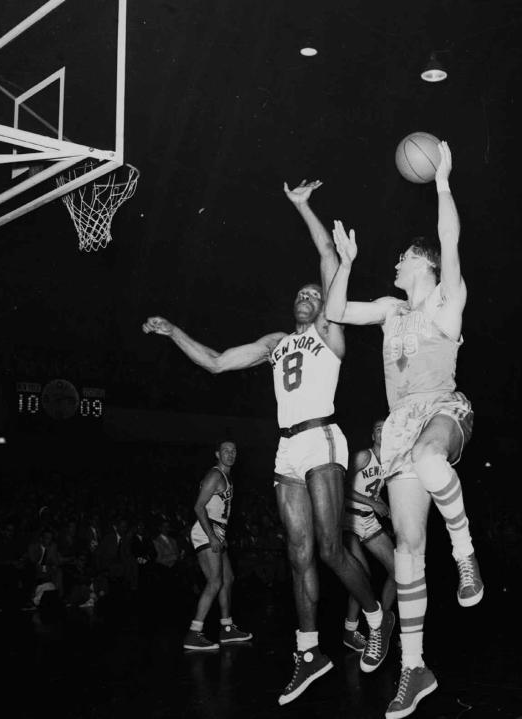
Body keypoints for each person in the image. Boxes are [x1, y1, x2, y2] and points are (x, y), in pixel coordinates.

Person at [143, 179, 393, 705]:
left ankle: (375, 616)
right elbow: (215, 361)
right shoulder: (275, 344)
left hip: (323, 438)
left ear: (324, 304)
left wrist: (303, 207)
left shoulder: (330, 329)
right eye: (300, 295)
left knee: (329, 547)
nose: (306, 298)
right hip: (287, 450)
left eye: (313, 295)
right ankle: (309, 654)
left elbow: (327, 253)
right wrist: (173, 333)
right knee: (298, 554)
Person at [326, 141, 482, 719]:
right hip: (398, 430)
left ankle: (466, 553)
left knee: (433, 460)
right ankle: (414, 668)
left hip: (442, 409)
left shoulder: (445, 301)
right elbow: (339, 312)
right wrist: (345, 262)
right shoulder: (392, 310)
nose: (394, 264)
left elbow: (451, 241)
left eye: (400, 258)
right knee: (410, 551)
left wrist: (441, 183)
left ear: (422, 263)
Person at [182, 440, 253, 650]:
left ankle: (227, 628)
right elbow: (198, 507)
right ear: (217, 454)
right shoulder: (215, 475)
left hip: (216, 532)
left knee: (227, 578)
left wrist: (220, 535)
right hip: (205, 532)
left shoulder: (226, 476)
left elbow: (218, 510)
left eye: (233, 450)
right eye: (225, 450)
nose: (230, 454)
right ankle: (193, 633)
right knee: (214, 582)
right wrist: (212, 536)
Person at [342, 419, 397, 653]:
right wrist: (374, 503)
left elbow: (377, 493)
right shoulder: (364, 456)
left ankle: (380, 623)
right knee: (361, 574)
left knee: (399, 569)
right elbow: (341, 486)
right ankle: (350, 631)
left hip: (368, 519)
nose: (382, 431)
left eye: (386, 428)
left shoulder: (389, 464)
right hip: (348, 519)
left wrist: (390, 511)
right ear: (373, 436)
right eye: (377, 428)